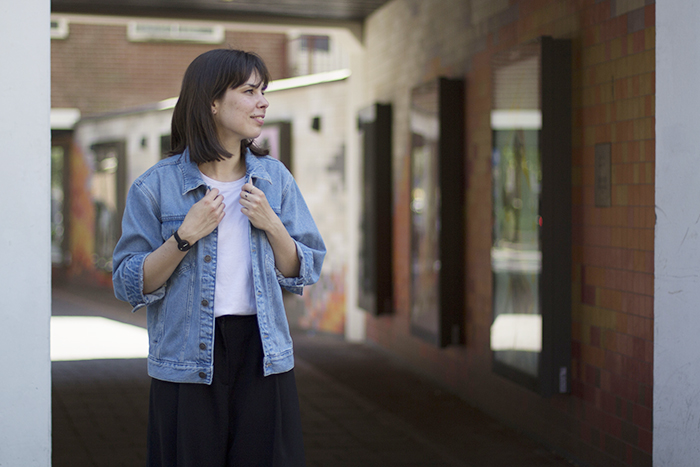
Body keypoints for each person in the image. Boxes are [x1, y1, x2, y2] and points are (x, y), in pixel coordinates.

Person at [112, 48, 325, 467]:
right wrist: (184, 236)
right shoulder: (155, 187)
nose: (263, 102)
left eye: (263, 91)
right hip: (187, 358)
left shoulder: (274, 179)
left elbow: (305, 268)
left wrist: (272, 224)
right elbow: (128, 281)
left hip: (263, 354)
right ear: (211, 100)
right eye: (249, 91)